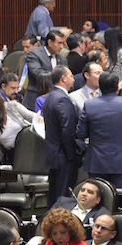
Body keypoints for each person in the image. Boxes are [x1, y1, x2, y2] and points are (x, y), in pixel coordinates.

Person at [76, 72, 122, 189]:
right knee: (120, 199)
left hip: (96, 162)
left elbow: (80, 133)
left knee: (98, 199)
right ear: (118, 86)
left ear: (100, 86)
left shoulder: (89, 105)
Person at [44, 66, 79, 206]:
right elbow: (67, 130)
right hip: (63, 156)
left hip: (53, 155)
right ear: (63, 78)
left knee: (54, 195)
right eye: (71, 76)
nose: (73, 79)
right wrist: (72, 154)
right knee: (62, 198)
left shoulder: (51, 96)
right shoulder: (62, 99)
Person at [25, 30, 68, 111]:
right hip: (36, 98)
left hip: (55, 101)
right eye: (59, 43)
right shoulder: (34, 55)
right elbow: (38, 73)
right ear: (50, 42)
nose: (62, 47)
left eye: (62, 43)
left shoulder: (63, 60)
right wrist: (58, 77)